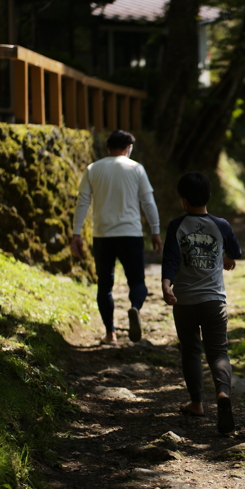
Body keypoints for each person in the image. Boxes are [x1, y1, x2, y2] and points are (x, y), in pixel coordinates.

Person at [162, 172, 242, 435]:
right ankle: (222, 394)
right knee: (218, 352)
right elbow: (235, 252)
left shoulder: (177, 225)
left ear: (183, 199)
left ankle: (197, 403)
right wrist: (228, 257)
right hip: (214, 301)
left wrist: (166, 284)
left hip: (184, 301)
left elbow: (171, 259)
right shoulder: (221, 224)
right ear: (209, 196)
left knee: (191, 351)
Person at [71, 129, 162, 344]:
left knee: (105, 285)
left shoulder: (93, 169)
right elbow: (148, 202)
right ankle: (135, 308)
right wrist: (155, 231)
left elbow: (82, 202)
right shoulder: (136, 168)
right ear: (128, 148)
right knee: (137, 281)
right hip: (131, 234)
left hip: (102, 235)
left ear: (108, 148)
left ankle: (110, 333)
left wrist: (77, 233)